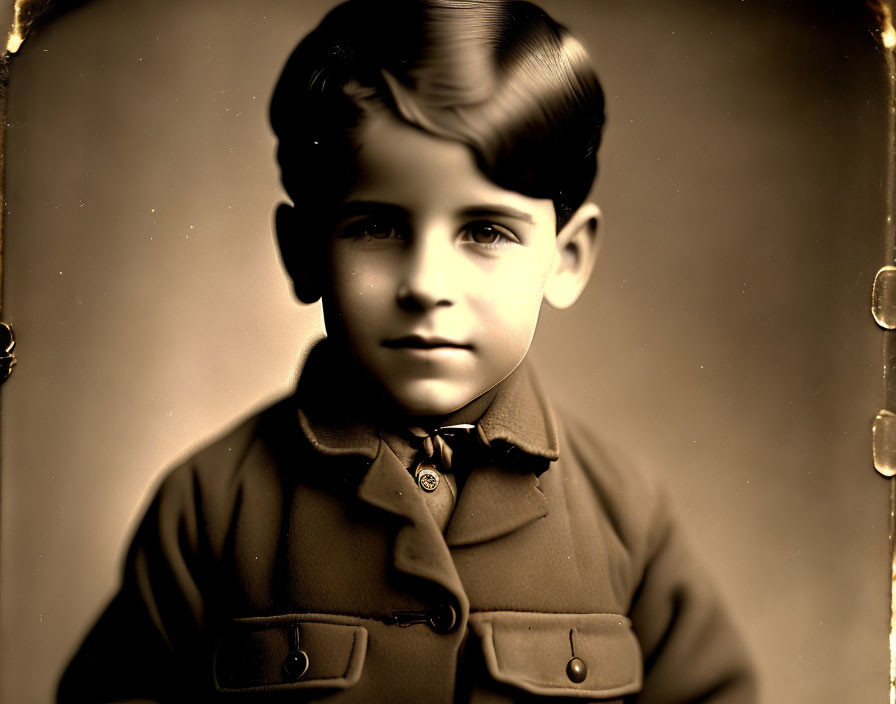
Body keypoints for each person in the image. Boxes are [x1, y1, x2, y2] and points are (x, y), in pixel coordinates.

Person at [58, 1, 757, 702]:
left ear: (568, 257)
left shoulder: (625, 510)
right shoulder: (209, 504)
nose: (426, 285)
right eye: (378, 227)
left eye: (485, 231)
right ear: (304, 254)